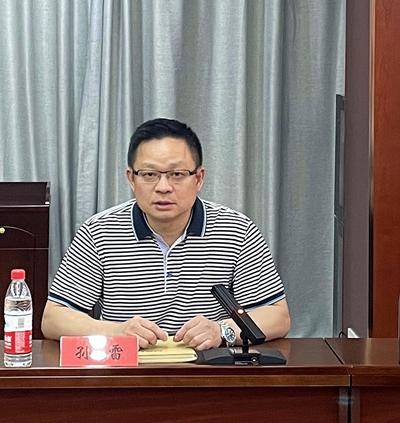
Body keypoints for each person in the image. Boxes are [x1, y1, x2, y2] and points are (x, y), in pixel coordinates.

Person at [42, 118, 290, 351]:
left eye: (177, 174)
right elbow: (54, 318)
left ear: (199, 178)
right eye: (149, 175)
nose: (163, 187)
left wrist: (221, 330)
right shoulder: (99, 232)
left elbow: (277, 316)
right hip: (127, 371)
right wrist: (115, 331)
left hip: (207, 369)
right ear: (131, 179)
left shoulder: (237, 230)